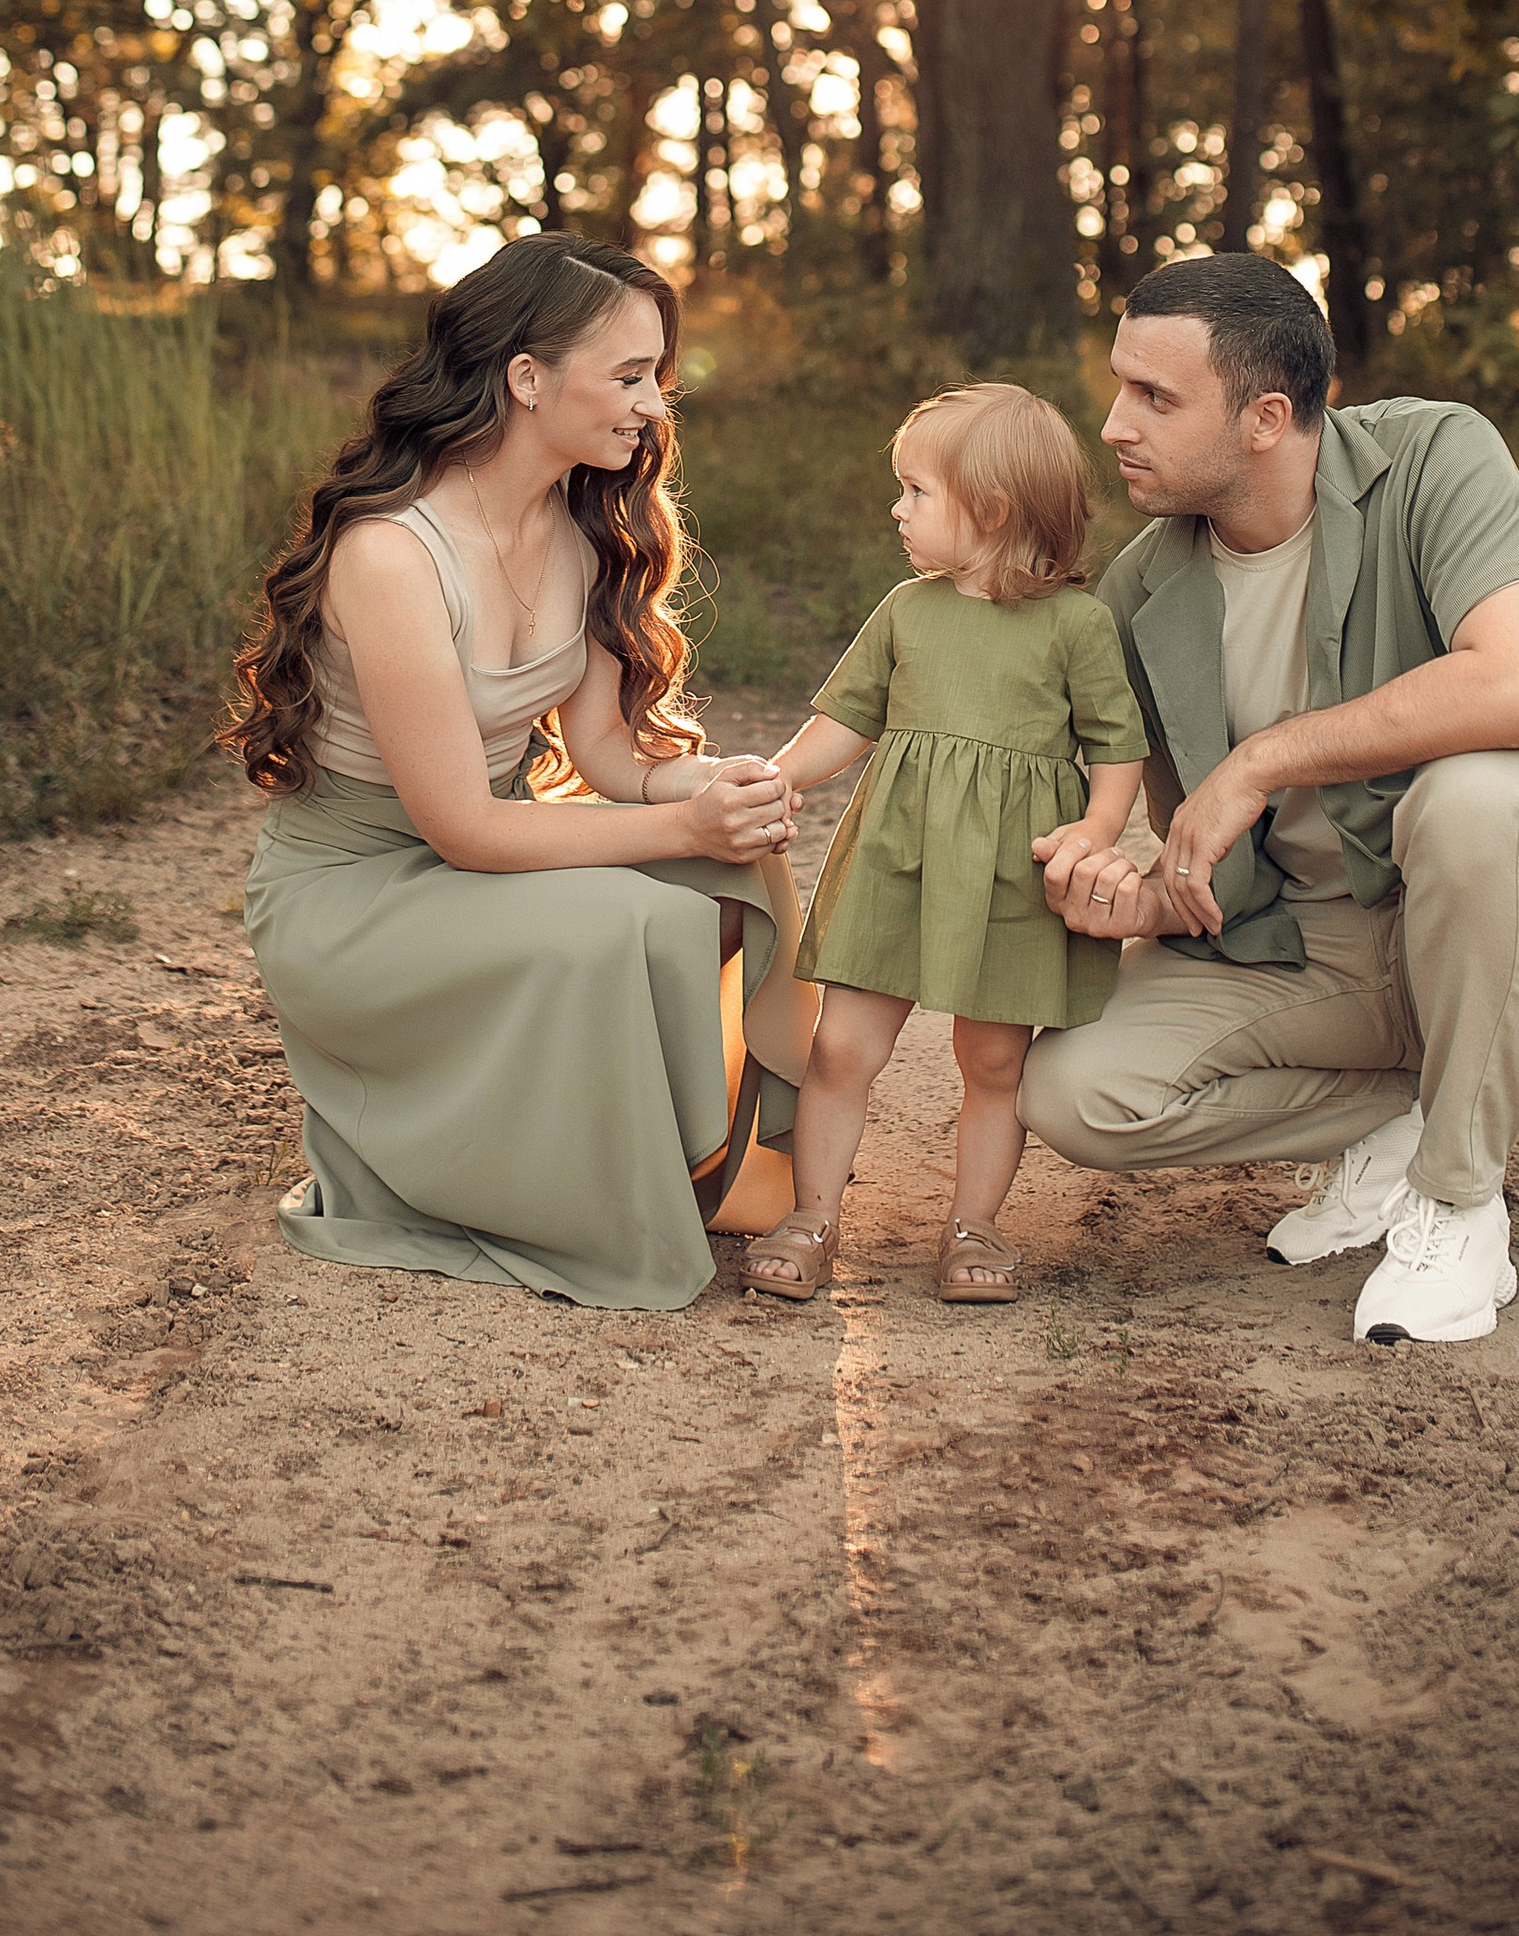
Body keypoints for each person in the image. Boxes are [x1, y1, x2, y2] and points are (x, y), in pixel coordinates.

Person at [1022, 255, 1519, 1347]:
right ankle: (1416, 1114)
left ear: (1266, 417)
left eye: (1155, 398)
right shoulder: (1137, 592)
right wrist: (1134, 903)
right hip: (1322, 950)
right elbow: (1214, 866)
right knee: (1074, 1091)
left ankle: (1459, 1203)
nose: (1115, 424)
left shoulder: (1435, 456)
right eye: (1121, 386)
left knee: (1473, 797)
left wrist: (1263, 758)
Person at [224, 236, 813, 1310]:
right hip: (354, 897)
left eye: (659, 381)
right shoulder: (390, 554)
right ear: (527, 376)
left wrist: (707, 791)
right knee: (620, 923)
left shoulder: (582, 529)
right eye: (628, 376)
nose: (651, 408)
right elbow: (466, 829)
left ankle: (712, 1170)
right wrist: (680, 833)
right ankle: (548, 1193)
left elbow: (601, 760)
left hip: (473, 857)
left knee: (736, 876)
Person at [740, 386, 1147, 1308]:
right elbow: (846, 720)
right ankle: (814, 1216)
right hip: (897, 862)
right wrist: (780, 778)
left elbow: (1118, 747)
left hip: (1013, 877)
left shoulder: (1075, 626)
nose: (897, 508)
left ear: (992, 511)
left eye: (916, 491)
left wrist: (1096, 830)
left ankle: (976, 1225)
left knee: (995, 1063)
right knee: (842, 1046)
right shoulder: (906, 610)